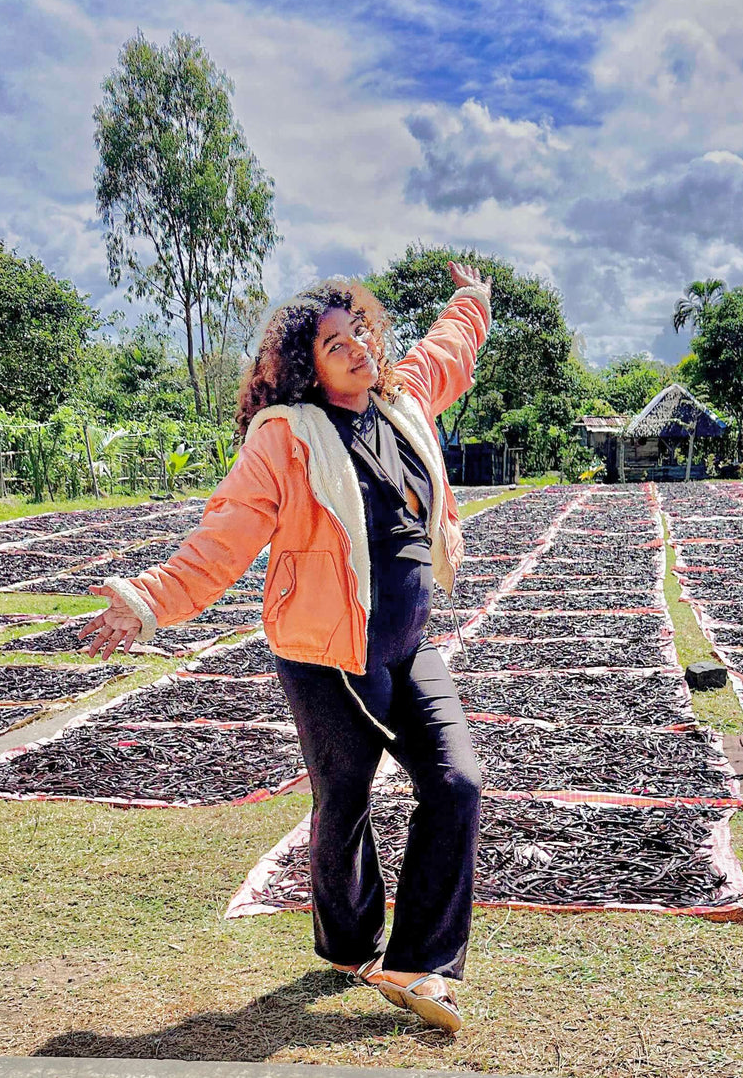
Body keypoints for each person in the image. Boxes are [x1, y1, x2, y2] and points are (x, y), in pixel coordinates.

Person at [80, 261, 493, 1034]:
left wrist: (473, 300)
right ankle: (348, 941)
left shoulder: (403, 401)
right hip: (326, 654)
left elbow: (450, 348)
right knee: (343, 800)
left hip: (406, 644)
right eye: (335, 343)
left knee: (456, 782)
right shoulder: (286, 438)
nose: (357, 348)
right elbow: (226, 534)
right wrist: (147, 602)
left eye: (360, 332)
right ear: (307, 364)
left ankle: (416, 962)